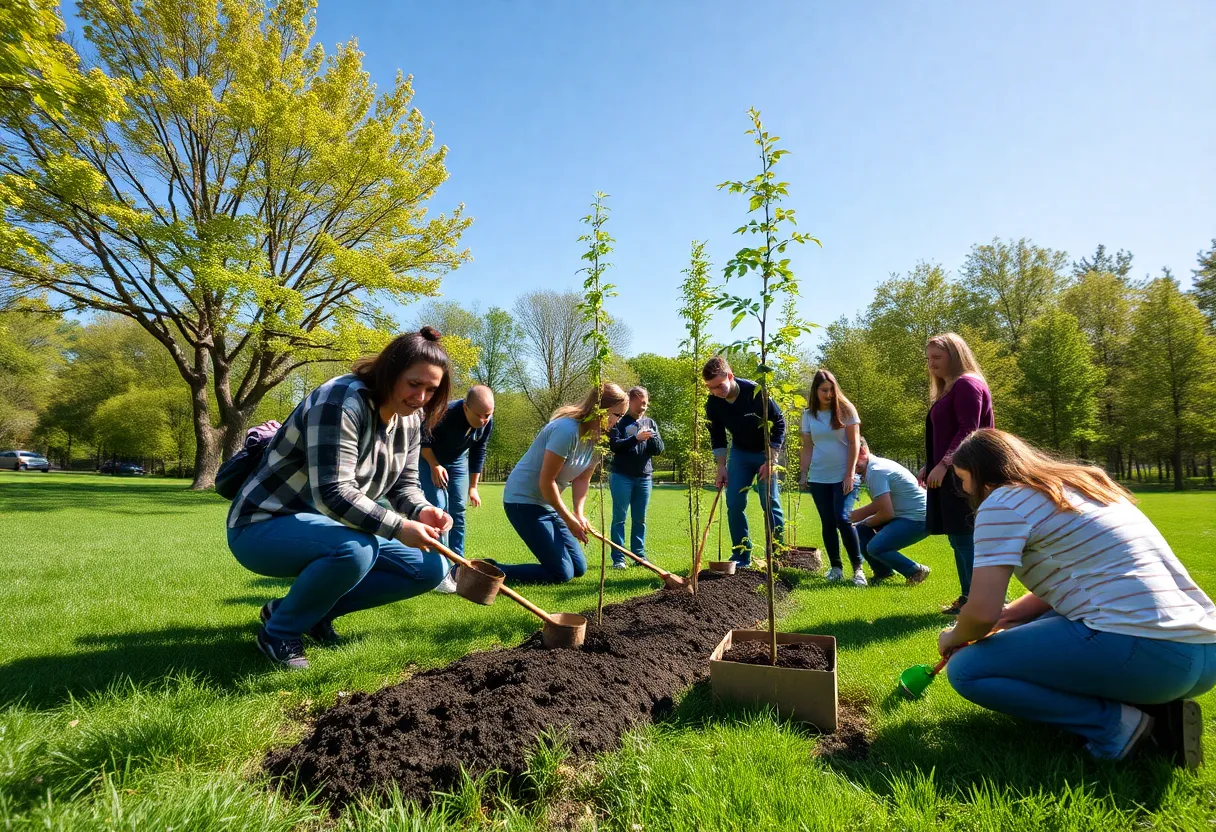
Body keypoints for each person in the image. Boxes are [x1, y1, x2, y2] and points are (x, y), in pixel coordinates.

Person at [940, 429, 1216, 763]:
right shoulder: (1084, 487)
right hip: (1203, 652)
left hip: (1148, 650)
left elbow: (981, 613)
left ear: (981, 475)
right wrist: (1011, 616)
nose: (965, 489)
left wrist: (954, 635)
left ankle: (1114, 727)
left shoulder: (1001, 502)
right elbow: (1079, 580)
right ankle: (1155, 712)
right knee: (1031, 625)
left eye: (963, 479)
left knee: (968, 669)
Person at [226, 328, 454, 669]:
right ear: (389, 371)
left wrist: (423, 510)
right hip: (262, 524)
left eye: (431, 389)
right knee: (356, 548)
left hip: (334, 525)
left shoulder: (410, 418)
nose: (421, 397)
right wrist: (397, 525)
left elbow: (404, 485)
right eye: (413, 384)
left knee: (430, 567)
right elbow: (332, 492)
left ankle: (302, 614)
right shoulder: (341, 401)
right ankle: (279, 633)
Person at [500, 383, 628, 583]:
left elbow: (582, 479)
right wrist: (568, 520)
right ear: (600, 409)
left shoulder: (598, 440)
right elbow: (546, 482)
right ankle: (488, 569)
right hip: (522, 501)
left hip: (546, 503)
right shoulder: (566, 430)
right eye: (618, 415)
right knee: (562, 573)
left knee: (579, 568)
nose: (618, 422)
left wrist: (578, 512)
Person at [922, 332, 995, 615]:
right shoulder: (951, 387)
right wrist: (931, 464)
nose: (931, 364)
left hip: (966, 473)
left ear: (955, 355)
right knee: (958, 537)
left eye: (937, 357)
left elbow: (969, 430)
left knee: (965, 537)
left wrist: (944, 463)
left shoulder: (967, 384)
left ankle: (981, 601)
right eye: (928, 358)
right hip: (952, 471)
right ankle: (968, 598)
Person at [703, 356, 784, 568]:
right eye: (710, 389)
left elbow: (780, 422)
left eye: (719, 386)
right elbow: (717, 436)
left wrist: (771, 459)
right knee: (734, 503)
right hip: (740, 453)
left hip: (766, 452)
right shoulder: (713, 404)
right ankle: (741, 555)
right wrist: (721, 466)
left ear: (730, 376)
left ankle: (778, 556)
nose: (715, 392)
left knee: (769, 503)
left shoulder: (755, 392)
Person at [419, 385, 494, 591]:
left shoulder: (487, 421)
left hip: (458, 459)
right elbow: (423, 440)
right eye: (479, 415)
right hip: (429, 459)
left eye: (488, 415)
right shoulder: (445, 413)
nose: (483, 420)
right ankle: (438, 571)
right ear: (465, 408)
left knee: (458, 510)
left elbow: (479, 450)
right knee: (438, 510)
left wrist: (473, 487)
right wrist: (434, 465)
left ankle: (457, 567)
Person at [801, 369, 865, 585]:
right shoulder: (808, 414)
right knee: (827, 522)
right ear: (815, 391)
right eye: (824, 390)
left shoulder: (846, 411)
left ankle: (858, 569)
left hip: (843, 475)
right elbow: (807, 447)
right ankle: (836, 568)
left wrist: (849, 473)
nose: (829, 394)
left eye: (831, 390)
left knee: (842, 518)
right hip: (819, 476)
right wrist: (804, 473)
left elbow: (854, 443)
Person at [848, 437, 931, 585]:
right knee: (861, 530)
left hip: (918, 519)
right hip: (906, 516)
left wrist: (859, 519)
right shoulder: (874, 468)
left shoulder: (876, 471)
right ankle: (883, 573)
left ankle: (915, 570)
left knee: (875, 547)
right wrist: (855, 519)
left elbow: (886, 512)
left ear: (861, 451)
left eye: (850, 457)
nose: (848, 465)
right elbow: (880, 505)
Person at [608, 386, 664, 569]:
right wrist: (636, 439)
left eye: (646, 404)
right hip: (621, 476)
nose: (643, 407)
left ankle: (638, 556)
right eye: (640, 403)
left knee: (640, 518)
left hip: (644, 477)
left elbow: (659, 449)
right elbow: (615, 446)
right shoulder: (619, 421)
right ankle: (618, 558)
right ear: (630, 402)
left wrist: (651, 438)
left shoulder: (650, 422)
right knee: (620, 518)